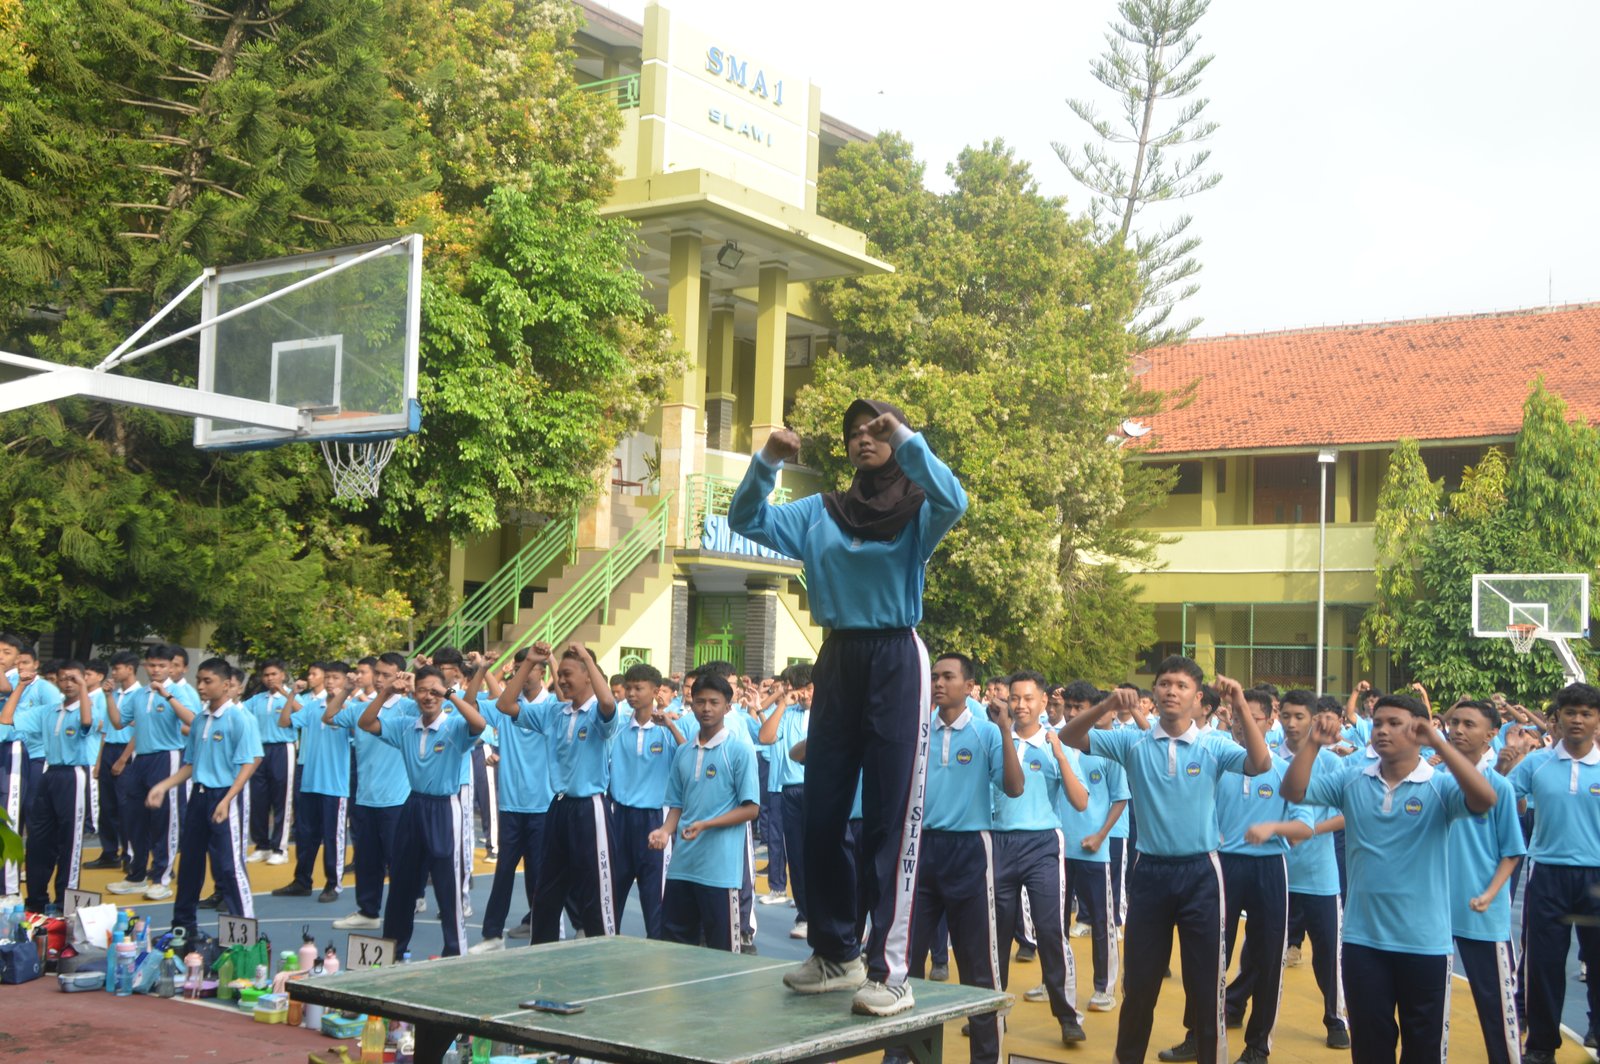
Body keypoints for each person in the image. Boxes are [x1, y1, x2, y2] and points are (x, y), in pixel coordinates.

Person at [728, 397, 967, 1016]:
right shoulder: (819, 512)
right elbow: (745, 518)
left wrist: (910, 440)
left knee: (891, 817)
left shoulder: (919, 508)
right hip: (837, 656)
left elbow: (957, 502)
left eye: (876, 429)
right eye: (854, 432)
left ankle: (892, 972)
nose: (865, 438)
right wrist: (768, 461)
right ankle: (837, 953)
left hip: (896, 655)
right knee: (823, 811)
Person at [1060, 661, 1272, 1064]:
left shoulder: (1214, 745)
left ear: (1198, 699)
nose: (1171, 691)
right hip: (1151, 873)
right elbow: (1070, 736)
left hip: (1202, 875)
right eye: (1164, 684)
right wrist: (1105, 703)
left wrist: (1241, 703)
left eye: (1181, 685)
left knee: (1206, 987)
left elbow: (1260, 765)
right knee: (1139, 987)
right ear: (1153, 694)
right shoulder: (1132, 743)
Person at [1282, 694, 1497, 1062]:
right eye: (1378, 722)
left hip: (1424, 943)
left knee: (1423, 1046)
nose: (1382, 730)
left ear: (1418, 730)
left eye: (1395, 723)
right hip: (1363, 940)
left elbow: (1484, 799)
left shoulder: (1439, 787)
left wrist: (1440, 744)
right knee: (1370, 1045)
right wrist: (1314, 743)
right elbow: (1293, 791)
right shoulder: (1352, 779)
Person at [1174, 687, 1313, 1064]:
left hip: (1269, 868)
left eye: (1253, 717)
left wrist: (1272, 829)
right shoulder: (1215, 763)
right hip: (1221, 867)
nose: (1243, 723)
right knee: (1207, 955)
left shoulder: (1286, 772)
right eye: (1238, 716)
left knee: (1268, 959)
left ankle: (1257, 1047)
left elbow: (1304, 827)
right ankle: (1197, 1035)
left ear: (1271, 721)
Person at [361, 665, 487, 957]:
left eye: (434, 691)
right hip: (413, 805)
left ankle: (455, 953)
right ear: (413, 693)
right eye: (422, 690)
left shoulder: (453, 726)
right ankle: (393, 949)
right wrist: (386, 691)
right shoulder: (405, 725)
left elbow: (479, 724)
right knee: (402, 884)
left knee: (447, 886)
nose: (428, 696)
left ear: (443, 692)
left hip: (444, 809)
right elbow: (367, 722)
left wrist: (451, 694)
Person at [992, 669, 1088, 1045]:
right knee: (995, 936)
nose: (1020, 705)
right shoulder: (995, 738)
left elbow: (1080, 802)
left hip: (1042, 846)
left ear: (1044, 701)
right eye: (1015, 698)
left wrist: (1061, 754)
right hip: (998, 844)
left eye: (1029, 698)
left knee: (1050, 931)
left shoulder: (1055, 743)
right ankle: (991, 1013)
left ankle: (1066, 1015)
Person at [1508, 683, 1600, 1064]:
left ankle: (1597, 1028)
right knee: (1544, 963)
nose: (1577, 719)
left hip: (1596, 877)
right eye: (1570, 712)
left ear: (1597, 720)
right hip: (1547, 873)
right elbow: (1500, 800)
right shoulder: (1535, 763)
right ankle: (1542, 1045)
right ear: (1558, 718)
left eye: (1586, 713)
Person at [147, 658, 260, 940]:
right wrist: (164, 786)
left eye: (208, 681)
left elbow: (249, 763)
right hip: (198, 795)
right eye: (199, 680)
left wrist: (227, 800)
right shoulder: (200, 719)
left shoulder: (240, 718)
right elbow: (191, 764)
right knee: (190, 863)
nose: (201, 686)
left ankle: (244, 930)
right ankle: (183, 925)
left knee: (230, 865)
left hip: (225, 796)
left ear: (226, 684)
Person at [649, 672, 760, 951]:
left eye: (714, 702)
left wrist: (706, 825)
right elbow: (677, 804)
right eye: (700, 702)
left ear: (727, 707)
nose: (706, 708)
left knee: (722, 951)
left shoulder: (738, 751)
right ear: (691, 704)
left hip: (720, 871)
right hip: (682, 868)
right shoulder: (684, 752)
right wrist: (664, 831)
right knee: (675, 947)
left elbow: (751, 809)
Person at [518, 643, 620, 943]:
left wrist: (587, 657)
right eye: (558, 674)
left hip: (590, 807)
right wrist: (530, 662)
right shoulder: (555, 712)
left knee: (595, 889)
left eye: (567, 673)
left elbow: (608, 705)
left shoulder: (598, 714)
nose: (560, 679)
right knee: (547, 887)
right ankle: (542, 953)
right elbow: (506, 706)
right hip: (559, 806)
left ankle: (603, 953)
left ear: (588, 675)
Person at [1442, 698, 1525, 1064]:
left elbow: (1512, 852)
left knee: (1496, 1008)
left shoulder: (1499, 789)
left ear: (1492, 733)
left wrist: (1491, 894)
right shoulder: (1435, 784)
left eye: (1469, 724)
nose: (1458, 730)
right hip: (1435, 915)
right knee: (1431, 1009)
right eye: (1454, 722)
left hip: (1483, 917)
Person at [1272, 689, 1349, 1049]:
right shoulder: (1270, 759)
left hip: (1319, 876)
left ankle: (1336, 1019)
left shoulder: (1333, 763)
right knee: (1261, 949)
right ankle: (1238, 1003)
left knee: (1327, 957)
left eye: (1299, 716)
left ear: (1314, 719)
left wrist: (1311, 829)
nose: (1291, 723)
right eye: (1285, 715)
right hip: (1278, 873)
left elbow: (1347, 813)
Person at [471, 644, 556, 952]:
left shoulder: (552, 706)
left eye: (531, 666)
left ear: (543, 671)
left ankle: (544, 927)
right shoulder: (506, 704)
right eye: (520, 666)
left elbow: (564, 690)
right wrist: (483, 669)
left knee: (542, 873)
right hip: (511, 802)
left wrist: (550, 658)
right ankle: (492, 935)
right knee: (504, 869)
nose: (525, 670)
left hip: (543, 804)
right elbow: (469, 703)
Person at [1056, 683, 1129, 1015]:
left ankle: (1104, 987)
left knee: (1102, 921)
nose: (1072, 712)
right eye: (1069, 706)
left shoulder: (1108, 749)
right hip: (1057, 849)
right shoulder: (1054, 740)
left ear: (1095, 708)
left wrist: (1101, 836)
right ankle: (1053, 982)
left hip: (1093, 850)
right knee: (1053, 922)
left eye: (1079, 706)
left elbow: (1120, 799)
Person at [328, 652, 413, 931]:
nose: (378, 680)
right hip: (365, 796)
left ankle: (403, 910)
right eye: (376, 673)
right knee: (367, 860)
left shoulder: (408, 709)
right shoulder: (360, 708)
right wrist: (348, 690)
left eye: (386, 675)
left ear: (399, 676)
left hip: (397, 799)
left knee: (398, 862)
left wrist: (410, 688)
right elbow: (329, 716)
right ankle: (368, 911)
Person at [105, 644, 194, 901]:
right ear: (145, 666)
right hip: (140, 758)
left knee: (165, 819)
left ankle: (161, 877)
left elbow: (192, 720)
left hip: (167, 757)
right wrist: (109, 697)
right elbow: (118, 722)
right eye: (152, 665)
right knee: (134, 817)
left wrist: (167, 695)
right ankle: (137, 875)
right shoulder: (139, 695)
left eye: (161, 666)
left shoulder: (178, 692)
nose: (156, 670)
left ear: (170, 667)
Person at [2, 662, 91, 911]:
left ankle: (66, 903)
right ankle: (36, 900)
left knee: (69, 842)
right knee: (38, 839)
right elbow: (6, 719)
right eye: (63, 679)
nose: (68, 683)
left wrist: (84, 688)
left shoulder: (87, 707)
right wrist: (19, 686)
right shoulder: (48, 711)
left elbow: (86, 721)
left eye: (74, 679)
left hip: (73, 775)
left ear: (83, 681)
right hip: (49, 773)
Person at [608, 661, 684, 940]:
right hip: (621, 817)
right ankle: (605, 942)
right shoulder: (617, 727)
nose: (631, 693)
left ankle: (658, 947)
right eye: (628, 688)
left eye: (638, 688)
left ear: (655, 691)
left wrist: (671, 726)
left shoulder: (667, 729)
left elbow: (689, 755)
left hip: (653, 819)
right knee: (613, 889)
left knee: (654, 895)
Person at [272, 661, 353, 901]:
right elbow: (284, 722)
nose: (329, 682)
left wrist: (344, 699)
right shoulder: (313, 706)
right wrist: (292, 694)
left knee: (333, 838)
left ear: (345, 681)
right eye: (327, 677)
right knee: (306, 836)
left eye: (335, 678)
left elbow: (357, 733)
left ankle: (333, 885)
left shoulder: (350, 709)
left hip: (334, 786)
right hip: (309, 782)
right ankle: (302, 881)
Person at [756, 664, 812, 939]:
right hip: (790, 790)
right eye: (796, 689)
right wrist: (781, 705)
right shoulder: (788, 713)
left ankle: (826, 913)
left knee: (822, 855)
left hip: (819, 788)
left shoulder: (828, 713)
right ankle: (804, 915)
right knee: (798, 856)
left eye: (808, 688)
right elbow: (765, 737)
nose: (802, 695)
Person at [243, 659, 296, 865]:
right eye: (266, 675)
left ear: (282, 675)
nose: (270, 678)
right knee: (258, 799)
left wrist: (286, 694)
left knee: (281, 799)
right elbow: (238, 712)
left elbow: (303, 713)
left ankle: (280, 848)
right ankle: (262, 845)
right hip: (259, 750)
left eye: (274, 674)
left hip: (282, 748)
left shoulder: (292, 697)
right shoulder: (256, 700)